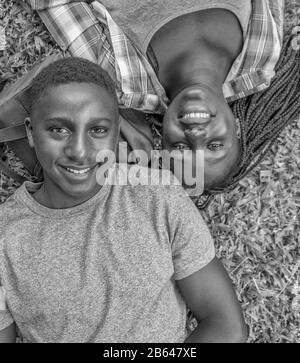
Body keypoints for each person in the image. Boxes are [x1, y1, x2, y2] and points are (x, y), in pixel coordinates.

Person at [0, 57, 247, 343]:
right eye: (59, 129)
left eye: (98, 130)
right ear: (31, 131)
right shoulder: (6, 237)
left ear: (115, 133)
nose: (79, 151)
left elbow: (225, 324)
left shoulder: (158, 194)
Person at [0, 1, 299, 206]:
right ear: (235, 127)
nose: (196, 134)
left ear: (164, 140)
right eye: (215, 145)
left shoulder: (127, 81)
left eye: (181, 148)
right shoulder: (260, 64)